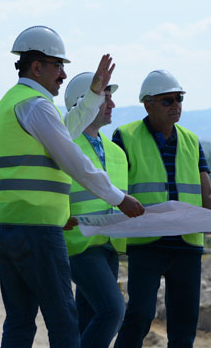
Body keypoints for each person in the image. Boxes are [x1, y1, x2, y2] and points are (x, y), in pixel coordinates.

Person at [0, 26, 144, 348]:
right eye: (57, 66)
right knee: (63, 322)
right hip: (36, 229)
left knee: (19, 320)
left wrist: (95, 94)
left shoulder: (14, 102)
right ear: (37, 67)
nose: (63, 74)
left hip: (1, 226)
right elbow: (73, 159)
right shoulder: (36, 105)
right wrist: (118, 197)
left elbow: (66, 131)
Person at [112, 69, 211, 348]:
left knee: (184, 325)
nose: (176, 105)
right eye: (167, 100)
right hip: (146, 242)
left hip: (187, 245)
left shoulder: (191, 141)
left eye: (179, 98)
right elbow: (113, 188)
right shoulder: (125, 136)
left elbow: (208, 192)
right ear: (148, 104)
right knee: (140, 315)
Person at [62, 72, 128, 348]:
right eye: (106, 98)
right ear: (84, 102)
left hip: (109, 245)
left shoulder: (116, 152)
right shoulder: (64, 144)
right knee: (113, 310)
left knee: (89, 318)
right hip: (78, 243)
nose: (112, 104)